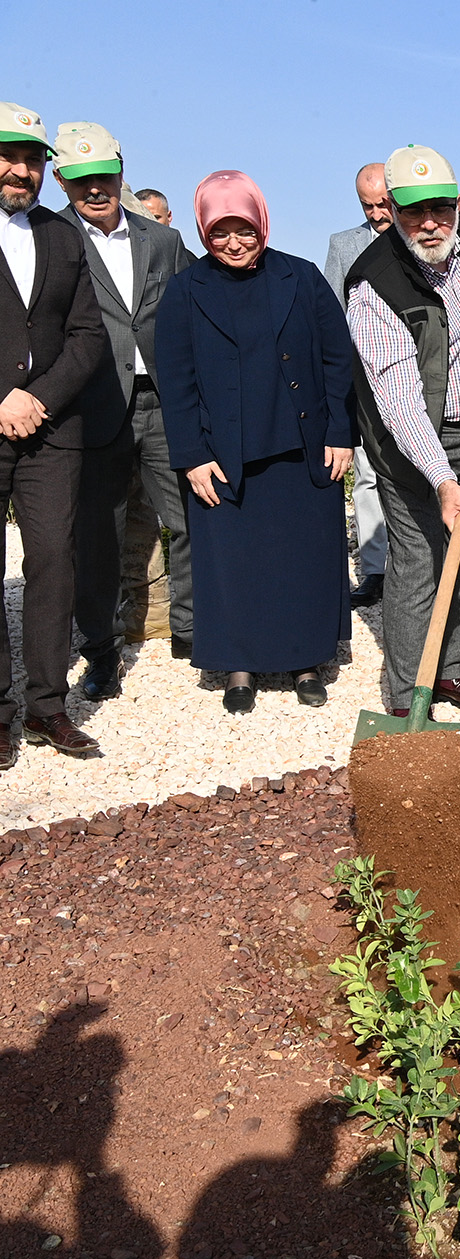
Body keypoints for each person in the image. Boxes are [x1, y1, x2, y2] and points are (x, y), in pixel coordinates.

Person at [152, 171, 354, 713]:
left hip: (304, 447)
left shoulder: (303, 277)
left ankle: (306, 660)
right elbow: (175, 380)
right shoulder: (184, 291)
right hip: (224, 455)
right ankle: (238, 665)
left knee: (302, 558)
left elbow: (338, 360)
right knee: (232, 563)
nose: (234, 243)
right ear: (203, 233)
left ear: (262, 223)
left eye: (244, 229)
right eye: (220, 233)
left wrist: (340, 432)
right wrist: (192, 455)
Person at [346, 145, 460, 717]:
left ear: (458, 202)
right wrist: (444, 482)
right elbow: (400, 401)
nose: (430, 224)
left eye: (441, 209)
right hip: (411, 443)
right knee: (419, 564)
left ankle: (451, 670)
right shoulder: (373, 285)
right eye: (412, 212)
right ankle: (407, 699)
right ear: (392, 211)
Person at [52, 123, 196, 702]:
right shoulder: (51, 237)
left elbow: (188, 313)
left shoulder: (161, 241)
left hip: (164, 403)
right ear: (62, 180)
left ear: (120, 171)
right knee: (98, 534)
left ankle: (191, 630)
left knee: (188, 517)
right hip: (92, 406)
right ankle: (102, 651)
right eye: (82, 180)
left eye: (104, 177)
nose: (95, 189)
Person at [0, 102, 108, 763]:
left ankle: (46, 707)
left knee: (52, 563)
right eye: (9, 156)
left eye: (33, 159)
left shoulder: (63, 235)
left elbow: (87, 333)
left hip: (51, 428)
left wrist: (37, 399)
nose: (21, 169)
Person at [323, 162, 393, 607]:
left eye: (383, 204)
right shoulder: (343, 245)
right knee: (367, 476)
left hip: (422, 382)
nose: (376, 214)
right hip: (363, 382)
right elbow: (331, 317)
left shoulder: (432, 239)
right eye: (368, 206)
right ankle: (375, 571)